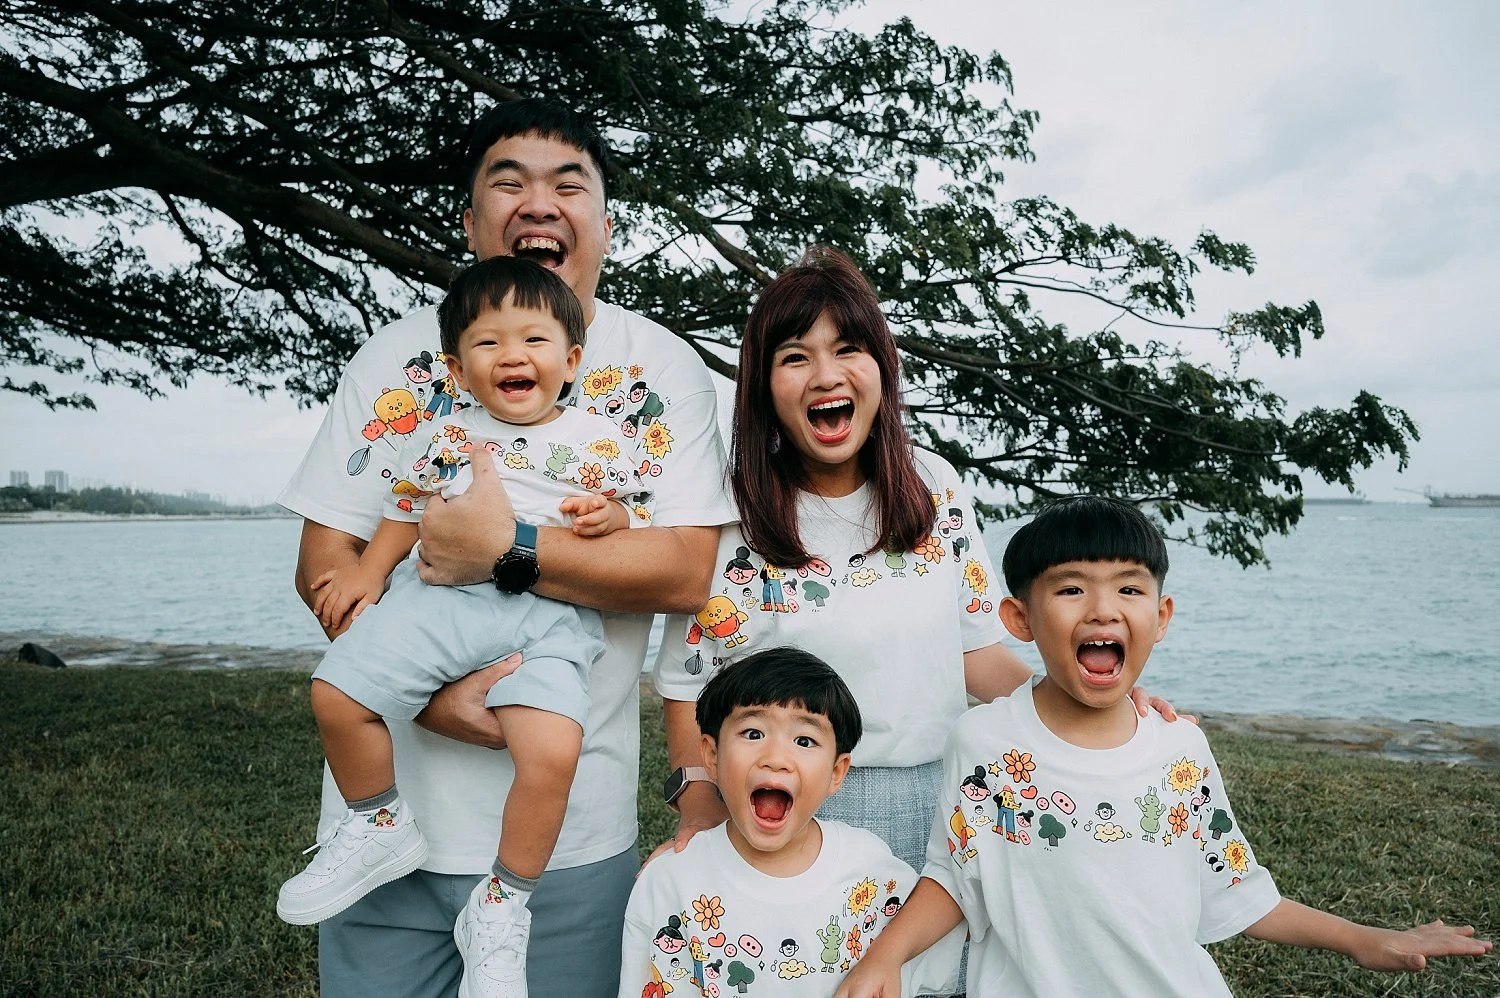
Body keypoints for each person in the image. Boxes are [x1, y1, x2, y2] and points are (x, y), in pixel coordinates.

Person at [277, 97, 735, 998]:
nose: (539, 202)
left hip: (568, 842)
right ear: (470, 217)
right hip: (388, 839)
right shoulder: (397, 361)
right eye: (508, 181)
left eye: (569, 185)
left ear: (604, 221)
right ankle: (375, 825)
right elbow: (326, 566)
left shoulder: (662, 369)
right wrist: (434, 698)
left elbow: (684, 572)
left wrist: (507, 548)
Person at [652, 249, 1179, 878]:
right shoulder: (728, 506)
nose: (826, 376)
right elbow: (688, 681)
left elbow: (976, 649)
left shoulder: (935, 485)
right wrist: (698, 799)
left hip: (938, 795)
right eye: (795, 357)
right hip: (779, 808)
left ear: (882, 365)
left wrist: (1097, 707)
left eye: (848, 348)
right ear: (764, 386)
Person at [836, 496, 1494, 997]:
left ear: (1162, 615)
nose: (1103, 609)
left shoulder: (1181, 748)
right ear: (1019, 619)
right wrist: (885, 957)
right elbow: (956, 879)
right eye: (1071, 589)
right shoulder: (984, 742)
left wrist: (1364, 940)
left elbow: (1236, 889)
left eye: (1129, 588)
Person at [277, 257, 652, 994]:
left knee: (552, 752)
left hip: (548, 618)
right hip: (442, 602)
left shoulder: (601, 438)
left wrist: (608, 515)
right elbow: (405, 510)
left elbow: (627, 514)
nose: (513, 355)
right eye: (489, 343)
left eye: (535, 340)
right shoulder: (447, 434)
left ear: (571, 360)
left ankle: (503, 902)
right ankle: (376, 821)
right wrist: (366, 572)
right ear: (457, 366)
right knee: (335, 694)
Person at [620, 648, 965, 998]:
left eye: (804, 741)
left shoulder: (870, 870)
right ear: (711, 755)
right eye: (753, 733)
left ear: (836, 772)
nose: (776, 759)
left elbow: (943, 928)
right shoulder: (670, 881)